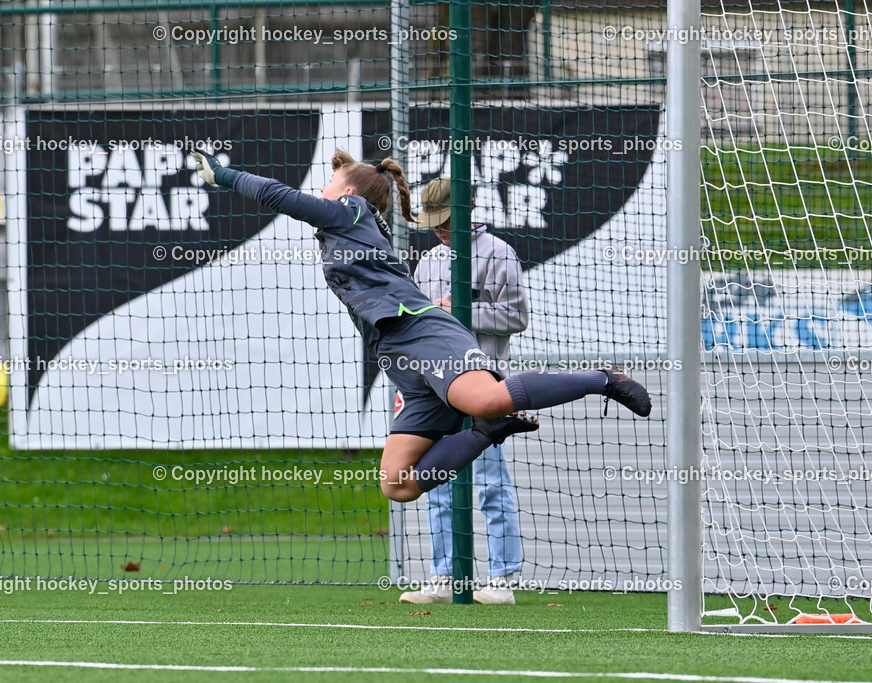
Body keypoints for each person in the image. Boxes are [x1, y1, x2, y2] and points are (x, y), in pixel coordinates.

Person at [190, 148, 651, 507]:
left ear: (351, 192)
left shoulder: (348, 211)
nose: (324, 187)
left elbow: (279, 196)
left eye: (331, 180)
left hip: (422, 331)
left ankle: (605, 379)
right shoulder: (346, 226)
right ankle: (489, 431)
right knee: (398, 484)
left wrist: (225, 175)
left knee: (483, 396)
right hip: (399, 357)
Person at [400, 178, 528, 605]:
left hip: (486, 385)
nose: (438, 229)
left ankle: (502, 579)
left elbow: (516, 317)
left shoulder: (498, 253)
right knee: (435, 483)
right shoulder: (428, 261)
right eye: (433, 222)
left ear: (468, 210)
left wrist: (462, 310)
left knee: (492, 484)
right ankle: (443, 577)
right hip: (437, 387)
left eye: (446, 220)